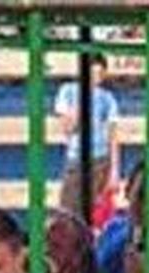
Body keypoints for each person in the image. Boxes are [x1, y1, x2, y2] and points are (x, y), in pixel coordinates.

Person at [54, 53, 121, 220]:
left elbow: (113, 137)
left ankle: (90, 243)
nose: (96, 78)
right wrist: (83, 100)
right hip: (76, 157)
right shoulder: (68, 91)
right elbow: (68, 128)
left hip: (100, 159)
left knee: (94, 212)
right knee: (67, 209)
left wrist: (114, 171)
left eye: (100, 74)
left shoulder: (108, 98)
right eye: (92, 73)